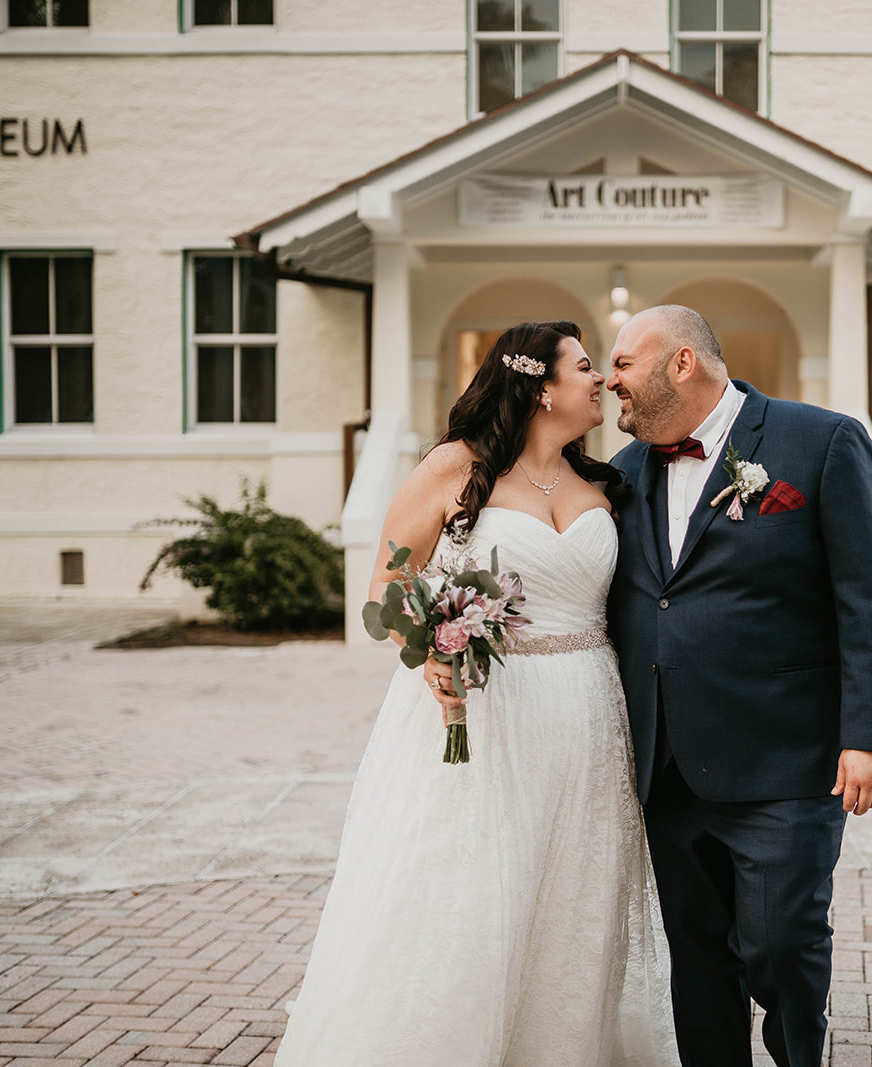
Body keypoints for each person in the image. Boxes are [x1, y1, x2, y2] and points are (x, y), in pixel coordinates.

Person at [274, 321, 677, 1066]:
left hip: (591, 717)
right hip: (486, 714)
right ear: (539, 385)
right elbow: (384, 592)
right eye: (585, 367)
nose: (600, 381)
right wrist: (426, 645)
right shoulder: (454, 468)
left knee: (575, 903)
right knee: (470, 896)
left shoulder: (611, 483)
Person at [605, 305, 872, 1067]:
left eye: (621, 363)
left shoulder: (821, 441)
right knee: (698, 958)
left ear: (682, 362)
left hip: (784, 756)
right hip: (667, 764)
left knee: (781, 943)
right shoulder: (624, 472)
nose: (609, 381)